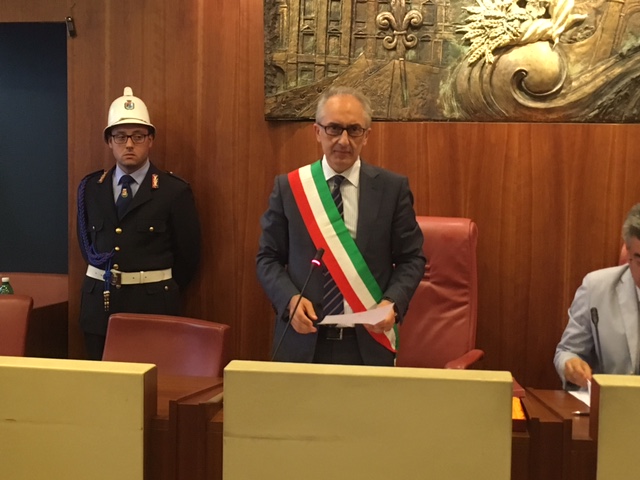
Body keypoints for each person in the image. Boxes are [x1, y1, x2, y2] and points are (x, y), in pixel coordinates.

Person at [256, 86, 425, 366]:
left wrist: (393, 303)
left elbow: (412, 258)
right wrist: (289, 300)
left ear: (366, 135)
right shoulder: (290, 188)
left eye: (354, 130)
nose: (343, 140)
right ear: (317, 131)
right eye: (334, 128)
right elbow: (267, 258)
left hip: (367, 343)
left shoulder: (392, 189)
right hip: (302, 342)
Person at [77, 86, 201, 360]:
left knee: (151, 383)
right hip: (99, 310)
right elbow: (87, 246)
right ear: (109, 141)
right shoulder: (91, 188)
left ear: (150, 140)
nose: (129, 144)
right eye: (120, 136)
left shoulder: (174, 190)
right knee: (101, 382)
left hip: (152, 306)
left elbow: (188, 256)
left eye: (138, 135)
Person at [554, 203, 640, 389]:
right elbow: (567, 351)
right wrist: (572, 365)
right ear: (628, 254)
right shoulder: (596, 288)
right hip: (612, 402)